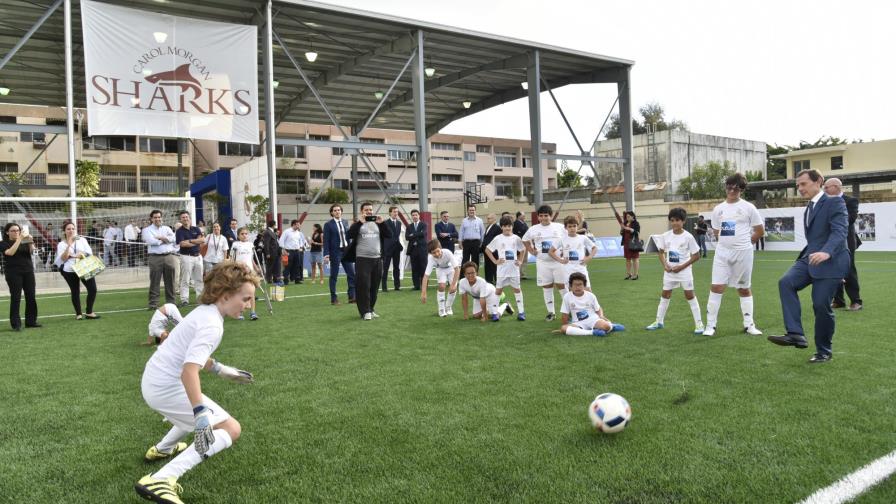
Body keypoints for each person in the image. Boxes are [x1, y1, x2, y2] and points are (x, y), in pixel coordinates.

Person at [134, 261, 258, 504]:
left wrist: (221, 369)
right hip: (164, 387)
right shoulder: (212, 325)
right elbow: (188, 371)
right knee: (230, 428)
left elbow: (189, 353)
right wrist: (200, 415)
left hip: (154, 381)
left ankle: (164, 448)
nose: (249, 305)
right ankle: (162, 478)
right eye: (245, 298)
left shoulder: (205, 313)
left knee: (199, 406)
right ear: (225, 296)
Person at [768, 169, 849, 364]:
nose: (800, 189)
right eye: (798, 186)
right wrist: (810, 255)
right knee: (786, 282)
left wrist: (827, 252)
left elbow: (840, 231)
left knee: (821, 305)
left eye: (803, 184)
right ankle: (795, 333)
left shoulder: (834, 201)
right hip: (810, 258)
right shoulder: (809, 208)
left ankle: (824, 352)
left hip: (831, 260)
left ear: (818, 181)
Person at [703, 173, 765, 337]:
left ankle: (749, 325)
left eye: (736, 188)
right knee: (716, 287)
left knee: (744, 288)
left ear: (741, 190)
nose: (731, 190)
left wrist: (744, 244)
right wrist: (727, 244)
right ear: (726, 188)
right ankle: (710, 326)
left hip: (743, 253)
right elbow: (717, 232)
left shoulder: (749, 208)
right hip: (722, 253)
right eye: (729, 187)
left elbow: (760, 231)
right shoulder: (718, 209)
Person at [645, 208, 705, 334]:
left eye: (677, 220)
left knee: (689, 295)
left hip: (684, 272)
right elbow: (660, 253)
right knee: (665, 294)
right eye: (672, 220)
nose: (674, 223)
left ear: (683, 221)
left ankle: (699, 324)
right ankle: (659, 321)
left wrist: (682, 267)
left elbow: (696, 255)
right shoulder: (665, 236)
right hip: (670, 272)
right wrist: (665, 265)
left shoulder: (688, 237)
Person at [345, 202, 392, 320]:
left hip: (377, 259)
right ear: (362, 211)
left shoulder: (378, 224)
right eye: (366, 210)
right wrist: (360, 222)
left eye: (370, 209)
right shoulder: (358, 224)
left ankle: (371, 309)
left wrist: (383, 223)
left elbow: (389, 235)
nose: (369, 212)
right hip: (362, 259)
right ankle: (365, 312)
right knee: (363, 286)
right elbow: (349, 235)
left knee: (375, 286)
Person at [523, 204, 566, 321]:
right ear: (538, 217)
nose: (543, 218)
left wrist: (565, 252)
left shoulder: (560, 227)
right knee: (547, 286)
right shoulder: (533, 229)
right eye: (541, 216)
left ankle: (568, 311)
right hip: (542, 262)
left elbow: (569, 238)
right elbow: (525, 240)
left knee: (562, 286)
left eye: (546, 215)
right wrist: (531, 250)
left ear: (551, 216)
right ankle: (551, 312)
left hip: (558, 262)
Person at [826, 178, 862, 311]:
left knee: (848, 269)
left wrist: (832, 220)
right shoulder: (826, 202)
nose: (825, 190)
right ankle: (838, 300)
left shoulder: (851, 201)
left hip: (847, 240)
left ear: (836, 187)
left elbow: (851, 219)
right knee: (833, 269)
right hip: (831, 240)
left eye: (827, 187)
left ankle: (856, 301)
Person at [55, 221, 100, 320]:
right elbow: (63, 258)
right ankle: (78, 314)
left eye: (73, 228)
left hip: (84, 267)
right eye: (68, 229)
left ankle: (89, 312)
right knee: (75, 291)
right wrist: (69, 244)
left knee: (93, 289)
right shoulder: (61, 244)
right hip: (69, 270)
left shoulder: (82, 240)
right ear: (64, 231)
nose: (71, 231)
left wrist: (81, 254)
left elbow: (89, 253)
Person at [484, 215, 526, 320]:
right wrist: (495, 261)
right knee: (498, 290)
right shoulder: (498, 238)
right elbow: (487, 250)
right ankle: (494, 313)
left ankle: (521, 313)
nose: (507, 228)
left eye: (509, 226)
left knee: (517, 289)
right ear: (501, 227)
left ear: (512, 226)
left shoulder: (516, 238)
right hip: (502, 270)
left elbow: (523, 250)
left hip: (513, 269)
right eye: (505, 226)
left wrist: (520, 260)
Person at [557, 272, 624, 337]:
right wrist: (566, 326)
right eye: (575, 285)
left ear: (584, 285)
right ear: (571, 286)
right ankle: (592, 332)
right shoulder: (567, 296)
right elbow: (564, 314)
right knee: (563, 329)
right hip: (577, 322)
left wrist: (601, 316)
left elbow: (598, 308)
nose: (577, 287)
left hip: (592, 319)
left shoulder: (590, 295)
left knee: (606, 326)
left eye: (580, 284)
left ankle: (611, 326)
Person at [1, 223, 39, 330]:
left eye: (18, 230)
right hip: (13, 273)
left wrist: (31, 242)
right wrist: (20, 239)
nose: (16, 232)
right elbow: (10, 253)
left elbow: (33, 252)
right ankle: (16, 324)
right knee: (16, 298)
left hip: (28, 271)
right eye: (13, 231)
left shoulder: (25, 241)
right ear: (7, 232)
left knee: (31, 296)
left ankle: (31, 321)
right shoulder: (3, 243)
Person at [549, 215, 597, 291]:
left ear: (577, 226)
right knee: (572, 291)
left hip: (581, 266)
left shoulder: (583, 238)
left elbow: (594, 248)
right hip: (568, 268)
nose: (572, 228)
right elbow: (550, 251)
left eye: (574, 226)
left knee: (588, 290)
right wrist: (560, 260)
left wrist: (589, 258)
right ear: (566, 228)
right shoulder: (562, 239)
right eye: (570, 226)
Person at [143, 210, 178, 310]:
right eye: (155, 217)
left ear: (161, 218)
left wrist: (161, 238)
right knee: (155, 281)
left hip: (169, 256)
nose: (157, 219)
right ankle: (153, 304)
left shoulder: (167, 228)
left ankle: (171, 303)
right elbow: (151, 241)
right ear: (151, 219)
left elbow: (174, 239)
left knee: (170, 281)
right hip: (155, 257)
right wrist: (166, 240)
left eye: (159, 217)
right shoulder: (147, 230)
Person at [323, 204, 356, 305]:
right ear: (332, 213)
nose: (337, 212)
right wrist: (326, 255)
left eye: (339, 210)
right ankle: (334, 299)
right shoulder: (328, 224)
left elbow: (348, 237)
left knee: (351, 274)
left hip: (346, 251)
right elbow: (326, 240)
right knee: (334, 275)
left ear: (341, 211)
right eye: (335, 210)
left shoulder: (345, 222)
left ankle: (351, 297)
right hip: (335, 252)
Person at [421, 239, 461, 317]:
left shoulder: (448, 253)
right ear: (430, 253)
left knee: (454, 288)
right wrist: (423, 292)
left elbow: (457, 269)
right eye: (433, 253)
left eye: (438, 251)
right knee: (442, 286)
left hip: (451, 269)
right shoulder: (430, 258)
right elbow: (426, 276)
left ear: (440, 248)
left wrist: (453, 285)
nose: (437, 254)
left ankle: (448, 307)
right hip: (440, 269)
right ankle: (441, 309)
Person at [229, 227, 260, 321]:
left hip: (250, 272)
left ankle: (253, 312)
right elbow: (231, 259)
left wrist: (256, 268)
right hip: (239, 272)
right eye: (242, 234)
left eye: (246, 233)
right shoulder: (235, 244)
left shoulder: (251, 244)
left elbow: (251, 258)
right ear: (238, 235)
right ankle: (240, 312)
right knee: (241, 292)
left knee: (252, 292)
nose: (244, 235)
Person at [176, 211, 206, 306]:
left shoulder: (196, 228)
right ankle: (185, 300)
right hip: (186, 257)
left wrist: (189, 240)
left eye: (186, 217)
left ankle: (200, 298)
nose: (185, 218)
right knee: (185, 279)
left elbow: (202, 240)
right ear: (180, 219)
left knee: (199, 279)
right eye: (183, 217)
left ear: (189, 218)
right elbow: (182, 244)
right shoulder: (179, 231)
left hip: (198, 256)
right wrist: (196, 242)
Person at [381, 206, 404, 292]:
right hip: (387, 248)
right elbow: (384, 236)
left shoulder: (399, 223)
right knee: (385, 268)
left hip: (396, 248)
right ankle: (384, 287)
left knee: (396, 267)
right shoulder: (385, 223)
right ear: (390, 213)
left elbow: (397, 236)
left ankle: (397, 286)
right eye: (394, 212)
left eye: (397, 212)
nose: (396, 213)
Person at [404, 209, 428, 290]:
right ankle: (416, 286)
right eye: (413, 215)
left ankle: (424, 285)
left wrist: (413, 235)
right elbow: (407, 237)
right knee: (414, 269)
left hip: (422, 250)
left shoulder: (424, 225)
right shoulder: (409, 226)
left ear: (419, 216)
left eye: (416, 215)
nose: (414, 216)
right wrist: (417, 235)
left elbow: (423, 233)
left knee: (423, 268)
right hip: (413, 250)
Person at [279, 219, 308, 285]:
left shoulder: (298, 232)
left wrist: (300, 247)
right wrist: (284, 250)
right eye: (298, 225)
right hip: (289, 251)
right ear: (294, 224)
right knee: (287, 266)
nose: (299, 226)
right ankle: (286, 280)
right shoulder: (287, 231)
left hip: (297, 251)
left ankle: (297, 280)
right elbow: (281, 241)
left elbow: (300, 241)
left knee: (297, 265)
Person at [619, 211, 641, 280]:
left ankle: (636, 274)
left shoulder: (636, 223)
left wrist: (626, 228)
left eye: (628, 217)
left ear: (633, 216)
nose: (627, 218)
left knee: (635, 259)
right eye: (626, 217)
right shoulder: (625, 223)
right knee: (627, 259)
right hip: (626, 243)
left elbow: (637, 233)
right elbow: (622, 233)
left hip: (633, 243)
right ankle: (629, 274)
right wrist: (622, 229)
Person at [481, 213, 501, 285]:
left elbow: (497, 239)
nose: (488, 220)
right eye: (487, 218)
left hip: (493, 250)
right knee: (487, 265)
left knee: (494, 265)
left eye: (489, 218)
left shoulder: (497, 228)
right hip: (486, 249)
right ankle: (488, 280)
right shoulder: (488, 227)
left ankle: (497, 279)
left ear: (494, 219)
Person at [261, 220, 283, 286]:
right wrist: (267, 253)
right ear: (274, 225)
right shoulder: (267, 232)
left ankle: (276, 279)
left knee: (276, 266)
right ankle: (268, 279)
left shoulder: (271, 231)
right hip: (271, 252)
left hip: (276, 252)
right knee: (270, 266)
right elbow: (266, 243)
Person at [513, 211, 530, 279]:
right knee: (519, 258)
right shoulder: (516, 223)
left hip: (525, 242)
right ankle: (518, 273)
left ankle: (523, 274)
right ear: (518, 216)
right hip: (519, 243)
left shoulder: (524, 223)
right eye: (523, 215)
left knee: (524, 259)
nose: (524, 216)